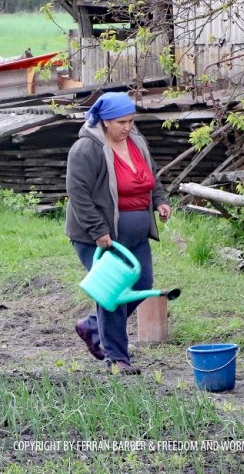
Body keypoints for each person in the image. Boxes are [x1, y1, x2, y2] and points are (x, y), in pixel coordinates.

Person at [65, 92, 172, 375]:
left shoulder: (135, 141)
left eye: (131, 121)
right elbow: (78, 194)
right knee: (113, 291)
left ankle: (92, 324)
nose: (127, 127)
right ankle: (118, 358)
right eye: (121, 122)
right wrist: (97, 230)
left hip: (135, 235)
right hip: (98, 237)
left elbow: (151, 175)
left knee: (142, 284)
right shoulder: (86, 149)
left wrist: (159, 200)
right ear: (104, 121)